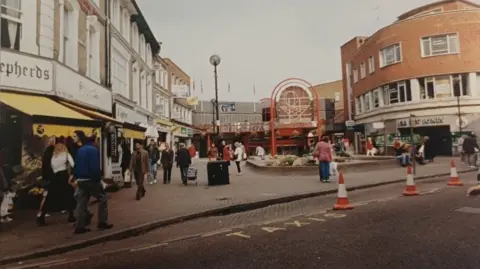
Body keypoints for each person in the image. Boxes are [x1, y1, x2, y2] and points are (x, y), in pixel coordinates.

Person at [72, 132, 112, 234]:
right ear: (93, 141)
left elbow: (76, 165)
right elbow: (94, 166)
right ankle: (102, 222)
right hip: (90, 179)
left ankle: (79, 226)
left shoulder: (80, 150)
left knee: (81, 203)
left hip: (81, 179)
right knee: (102, 198)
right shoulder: (93, 150)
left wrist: (76, 177)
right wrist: (98, 179)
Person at [36, 141, 76, 226]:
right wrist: (72, 176)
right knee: (69, 195)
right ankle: (71, 215)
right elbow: (73, 165)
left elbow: (51, 167)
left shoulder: (53, 156)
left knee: (51, 197)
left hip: (55, 177)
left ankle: (41, 216)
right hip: (63, 176)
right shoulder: (66, 154)